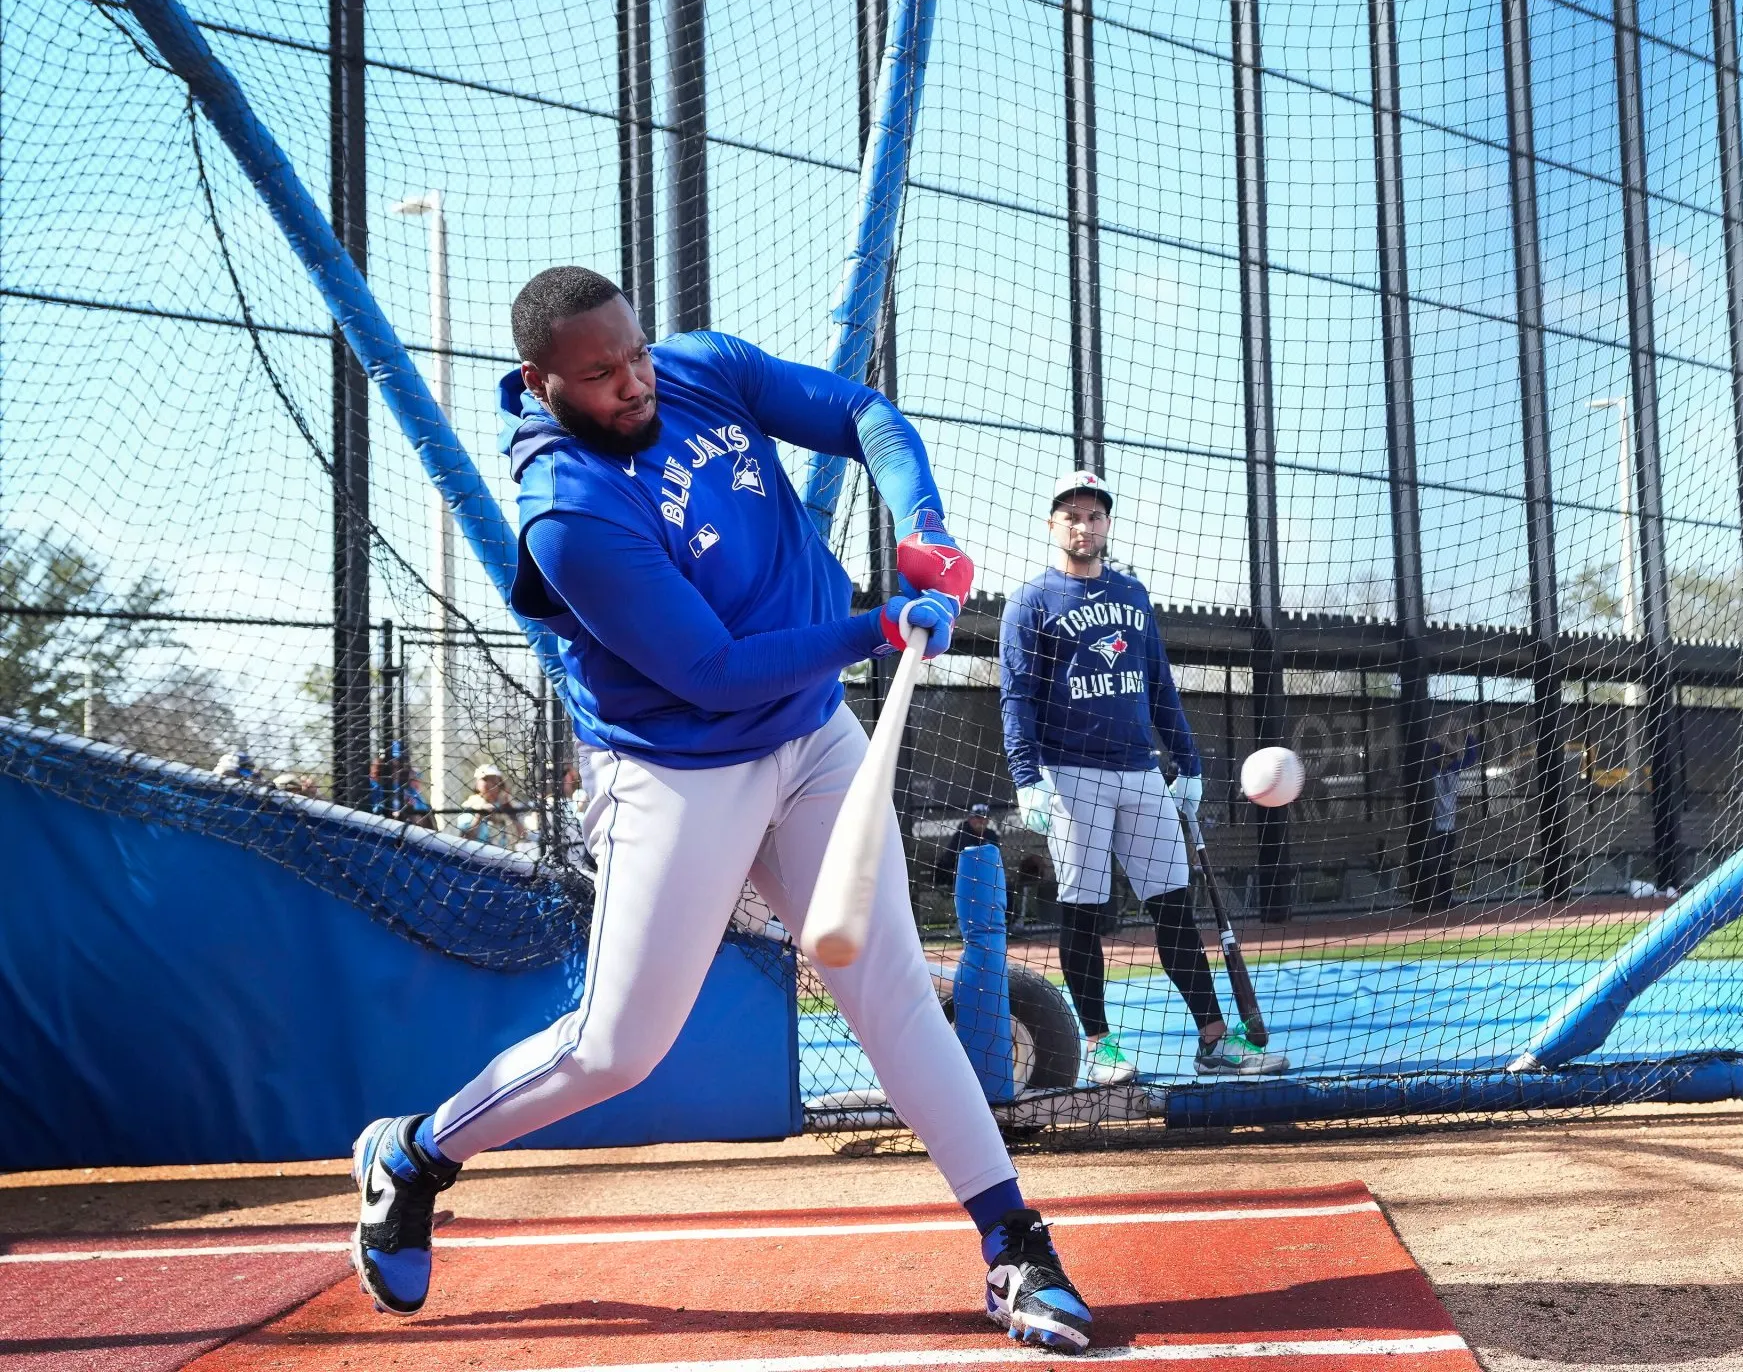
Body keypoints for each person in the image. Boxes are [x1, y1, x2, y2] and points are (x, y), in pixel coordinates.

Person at [346, 268, 1092, 1354]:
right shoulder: (567, 512)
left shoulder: (698, 370)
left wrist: (919, 519)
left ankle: (1014, 1244)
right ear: (540, 383)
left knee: (888, 989)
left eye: (636, 354)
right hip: (678, 765)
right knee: (617, 1050)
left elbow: (860, 415)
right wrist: (879, 626)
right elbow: (712, 669)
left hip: (813, 735)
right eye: (601, 375)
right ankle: (413, 1153)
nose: (634, 381)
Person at [1000, 471, 1285, 1086]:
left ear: (1107, 524)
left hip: (1140, 771)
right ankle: (1100, 1045)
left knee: (1174, 907)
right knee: (1084, 909)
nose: (1084, 524)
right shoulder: (1030, 602)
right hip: (1071, 774)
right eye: (1072, 515)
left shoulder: (1132, 595)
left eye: (1094, 514)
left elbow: (1159, 686)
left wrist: (1189, 762)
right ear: (1053, 525)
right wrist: (1028, 776)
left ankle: (1214, 1040)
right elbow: (1016, 697)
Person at [1415, 732, 1480, 913]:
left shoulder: (1453, 770)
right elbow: (1431, 753)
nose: (1447, 760)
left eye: (1450, 757)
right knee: (1435, 864)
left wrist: (1469, 739)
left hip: (1449, 828)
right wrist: (1440, 744)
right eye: (1444, 756)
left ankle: (1446, 898)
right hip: (1434, 828)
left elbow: (1470, 758)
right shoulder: (1431, 772)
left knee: (1445, 864)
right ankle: (1433, 898)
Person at [454, 763, 533, 846]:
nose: (490, 784)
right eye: (485, 779)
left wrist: (511, 813)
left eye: (494, 780)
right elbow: (464, 838)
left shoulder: (506, 804)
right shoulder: (470, 805)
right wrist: (479, 815)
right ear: (477, 784)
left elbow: (523, 836)